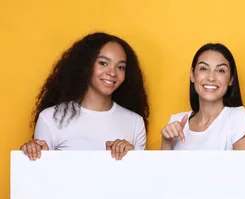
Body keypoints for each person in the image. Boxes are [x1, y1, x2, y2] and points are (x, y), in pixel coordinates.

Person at [20, 32, 149, 161]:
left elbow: (140, 178)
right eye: (103, 63)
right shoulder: (50, 118)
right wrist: (32, 153)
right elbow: (41, 176)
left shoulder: (135, 122)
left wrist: (132, 158)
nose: (112, 72)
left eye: (121, 67)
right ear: (86, 65)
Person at [161, 43, 245, 150]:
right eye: (204, 68)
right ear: (192, 75)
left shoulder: (239, 118)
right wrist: (166, 141)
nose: (211, 77)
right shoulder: (175, 121)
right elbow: (165, 167)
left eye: (220, 70)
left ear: (231, 79)